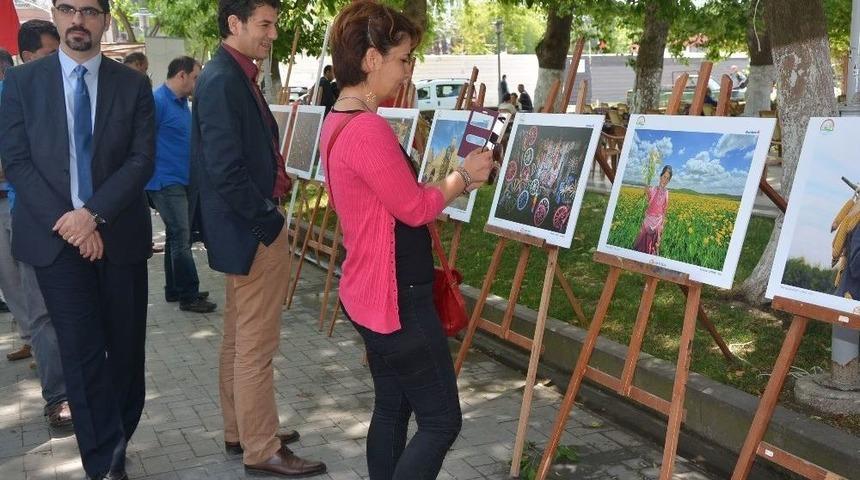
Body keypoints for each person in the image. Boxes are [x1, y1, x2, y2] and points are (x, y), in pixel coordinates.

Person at [320, 2, 494, 478]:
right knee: (441, 421)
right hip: (396, 300)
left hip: (369, 292)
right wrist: (462, 177)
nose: (407, 70)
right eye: (402, 58)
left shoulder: (338, 119)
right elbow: (414, 207)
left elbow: (392, 200)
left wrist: (449, 184)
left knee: (393, 408)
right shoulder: (367, 129)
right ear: (371, 59)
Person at [0, 0, 156, 478]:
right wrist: (71, 223)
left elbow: (141, 159)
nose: (77, 20)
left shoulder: (133, 84)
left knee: (125, 354)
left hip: (119, 235)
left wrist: (92, 215)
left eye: (89, 11)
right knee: (82, 356)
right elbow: (17, 161)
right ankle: (104, 463)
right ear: (55, 14)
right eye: (67, 9)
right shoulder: (21, 83)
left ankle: (117, 438)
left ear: (104, 20)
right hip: (55, 243)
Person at [190, 0, 325, 476]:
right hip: (252, 234)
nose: (273, 34)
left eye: (274, 24)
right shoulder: (223, 79)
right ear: (235, 23)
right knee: (255, 347)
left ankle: (244, 431)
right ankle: (261, 447)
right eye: (265, 24)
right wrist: (268, 221)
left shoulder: (228, 73)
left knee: (239, 341)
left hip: (242, 232)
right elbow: (225, 170)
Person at [0, 18, 72, 429]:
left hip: (81, 223)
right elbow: (14, 162)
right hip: (32, 219)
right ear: (27, 58)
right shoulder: (12, 92)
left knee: (78, 311)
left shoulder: (74, 89)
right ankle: (58, 397)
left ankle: (87, 387)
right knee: (43, 314)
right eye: (49, 54)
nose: (59, 60)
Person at [146, 56, 215, 314]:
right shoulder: (157, 101)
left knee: (176, 236)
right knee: (182, 237)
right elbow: (143, 140)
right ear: (182, 75)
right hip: (165, 181)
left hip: (182, 179)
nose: (198, 83)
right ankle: (189, 295)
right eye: (196, 78)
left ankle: (174, 289)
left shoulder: (182, 103)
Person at [633, 165, 672, 255]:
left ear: (669, 181)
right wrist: (646, 191)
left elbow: (665, 210)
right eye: (664, 177)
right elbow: (648, 202)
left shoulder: (666, 193)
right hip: (648, 221)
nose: (665, 180)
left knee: (653, 246)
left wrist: (662, 225)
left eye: (668, 179)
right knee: (642, 243)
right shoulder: (652, 189)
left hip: (658, 223)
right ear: (660, 176)